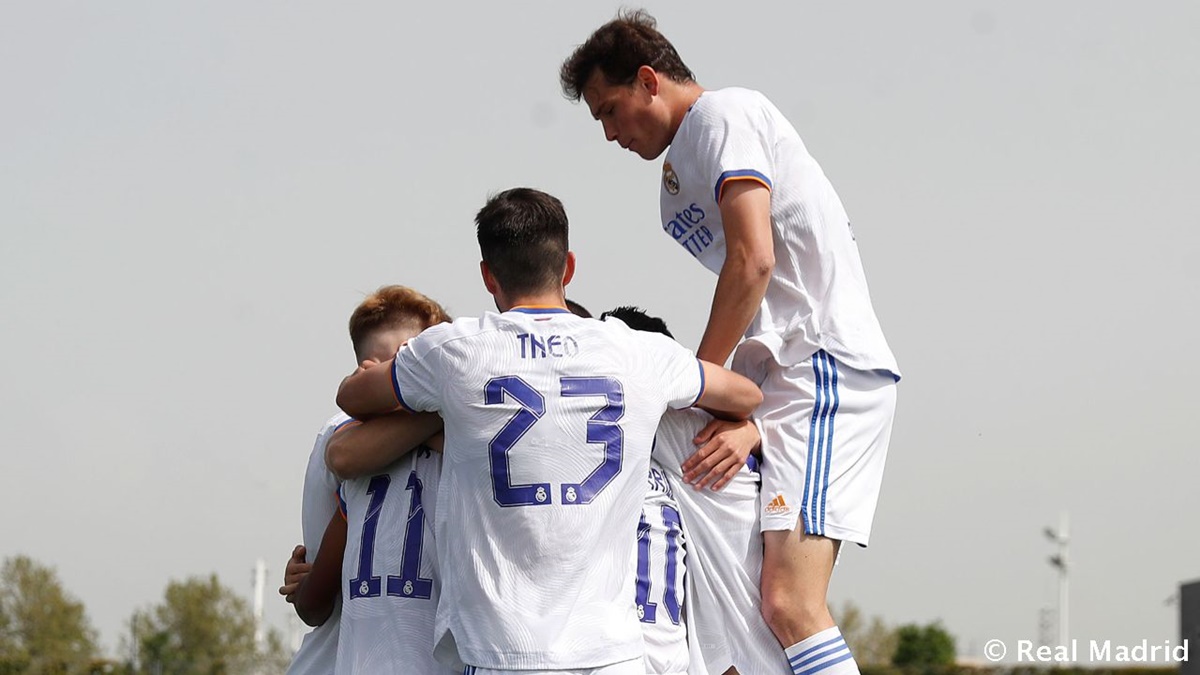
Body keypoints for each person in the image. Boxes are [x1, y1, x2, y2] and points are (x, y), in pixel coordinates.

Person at [561, 14, 900, 675]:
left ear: (649, 81)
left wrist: (695, 380)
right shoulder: (671, 191)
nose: (609, 133)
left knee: (790, 602)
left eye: (610, 110)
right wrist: (742, 414)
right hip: (778, 381)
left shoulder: (724, 115)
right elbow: (750, 299)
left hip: (822, 364)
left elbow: (753, 262)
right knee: (757, 607)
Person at [334, 187, 762, 675]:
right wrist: (745, 427)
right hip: (610, 651)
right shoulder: (638, 352)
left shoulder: (455, 351)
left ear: (488, 276)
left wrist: (455, 408)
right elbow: (745, 394)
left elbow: (352, 398)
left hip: (499, 649)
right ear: (569, 267)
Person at [602, 306, 790, 675]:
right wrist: (752, 432)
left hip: (742, 649)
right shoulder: (705, 434)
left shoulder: (661, 420)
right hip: (733, 649)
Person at [280, 286, 451, 673]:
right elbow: (318, 591)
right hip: (348, 654)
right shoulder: (337, 437)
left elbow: (312, 595)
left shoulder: (461, 437)